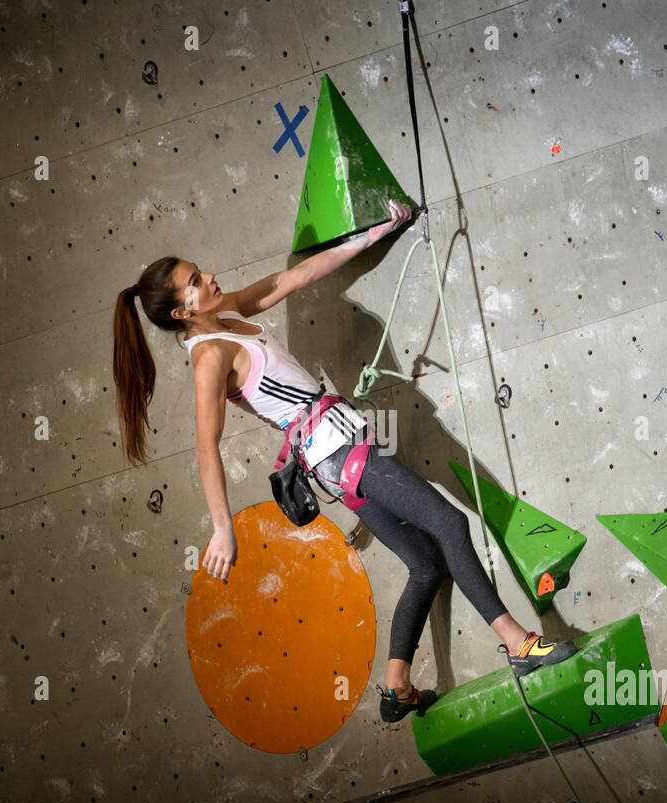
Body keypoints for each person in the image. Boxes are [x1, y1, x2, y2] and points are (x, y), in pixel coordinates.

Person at [111, 201, 575, 724]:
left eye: (200, 269)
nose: (210, 276)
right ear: (181, 312)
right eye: (196, 279)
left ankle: (396, 686)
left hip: (338, 449)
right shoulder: (209, 357)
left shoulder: (229, 314)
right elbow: (205, 447)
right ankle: (516, 643)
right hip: (340, 452)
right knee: (450, 522)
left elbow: (297, 276)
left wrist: (376, 232)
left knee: (426, 564)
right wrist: (222, 527)